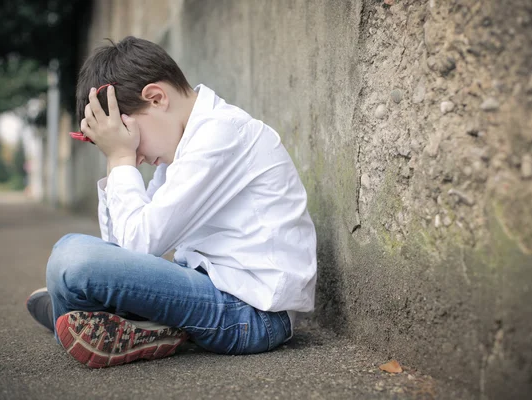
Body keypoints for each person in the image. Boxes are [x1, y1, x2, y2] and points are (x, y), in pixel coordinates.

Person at [26, 36, 317, 368]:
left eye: (129, 137)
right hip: (211, 288)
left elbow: (137, 245)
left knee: (71, 258)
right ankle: (108, 323)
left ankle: (85, 318)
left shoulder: (220, 135)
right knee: (72, 262)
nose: (137, 152)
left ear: (155, 97)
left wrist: (120, 160)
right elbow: (120, 248)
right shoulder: (182, 146)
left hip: (254, 314)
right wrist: (120, 164)